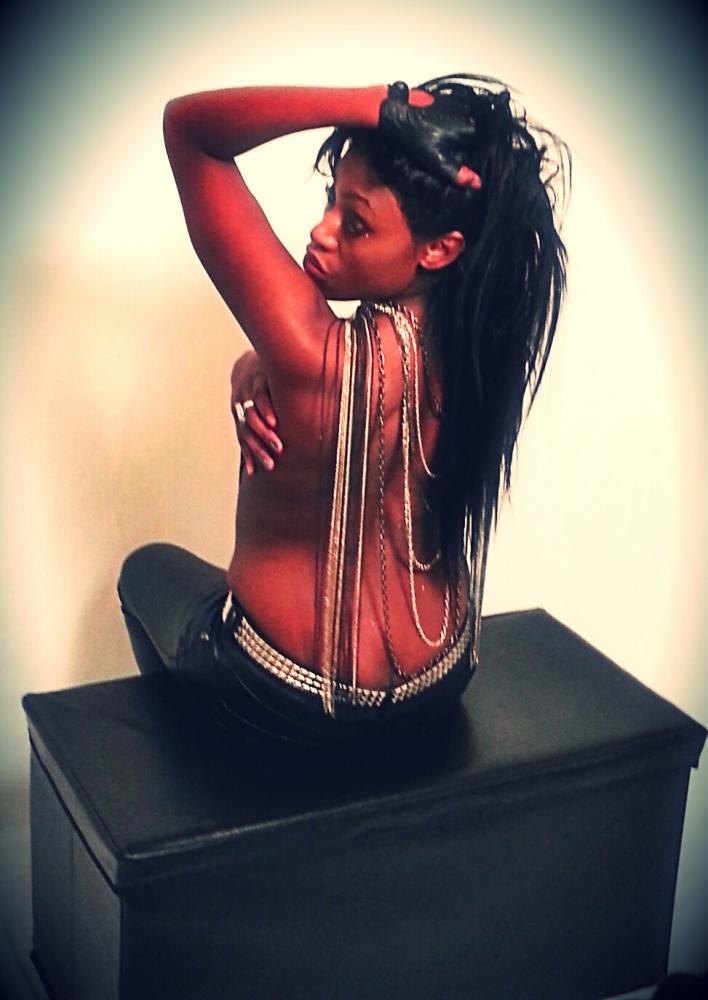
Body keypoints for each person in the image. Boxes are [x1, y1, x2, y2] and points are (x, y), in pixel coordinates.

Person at [117, 76, 569, 749]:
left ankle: (200, 770)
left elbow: (190, 131)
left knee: (144, 569)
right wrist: (258, 364)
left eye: (354, 223)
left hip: (285, 694)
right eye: (331, 199)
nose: (321, 231)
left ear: (439, 248)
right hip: (441, 678)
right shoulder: (487, 348)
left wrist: (370, 105)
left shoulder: (309, 352)